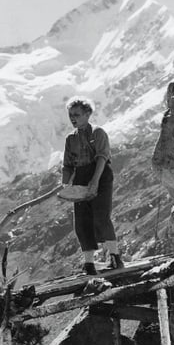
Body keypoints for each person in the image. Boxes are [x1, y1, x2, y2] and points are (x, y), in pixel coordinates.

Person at [61, 96, 123, 274]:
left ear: (88, 114)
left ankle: (115, 256)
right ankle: (89, 263)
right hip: (81, 177)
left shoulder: (98, 133)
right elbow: (67, 164)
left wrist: (94, 182)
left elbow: (102, 157)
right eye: (71, 115)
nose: (73, 118)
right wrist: (65, 184)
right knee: (81, 222)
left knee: (101, 217)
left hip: (100, 175)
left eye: (77, 114)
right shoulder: (70, 139)